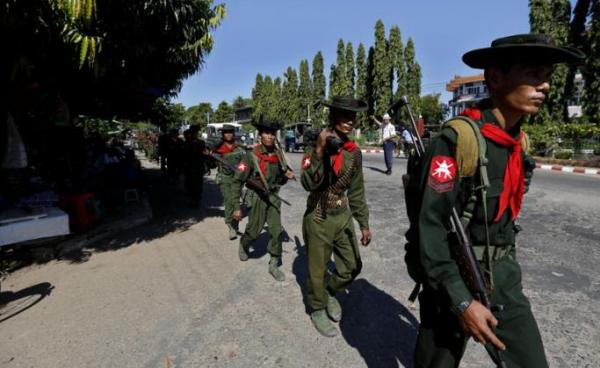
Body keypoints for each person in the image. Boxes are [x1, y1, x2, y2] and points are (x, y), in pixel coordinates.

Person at [409, 34, 584, 367]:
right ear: (495, 78)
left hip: (502, 276)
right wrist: (461, 302)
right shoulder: (457, 141)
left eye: (547, 76)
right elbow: (429, 228)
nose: (544, 85)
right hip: (450, 277)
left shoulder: (518, 142)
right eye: (533, 74)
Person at [301, 96, 372, 337]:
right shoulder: (315, 146)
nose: (350, 122)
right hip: (319, 214)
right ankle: (317, 307)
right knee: (317, 270)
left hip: (342, 215)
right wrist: (320, 150)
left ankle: (329, 292)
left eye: (352, 117)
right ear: (333, 117)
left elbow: (357, 190)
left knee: (352, 266)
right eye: (344, 116)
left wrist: (363, 223)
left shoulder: (353, 152)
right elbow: (308, 183)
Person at [232, 119, 294, 281]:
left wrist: (286, 176)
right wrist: (236, 207)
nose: (270, 136)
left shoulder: (278, 154)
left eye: (272, 133)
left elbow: (280, 178)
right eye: (267, 133)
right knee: (253, 231)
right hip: (257, 197)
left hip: (273, 197)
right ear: (260, 135)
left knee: (275, 232)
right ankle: (244, 244)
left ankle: (273, 264)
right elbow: (237, 181)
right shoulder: (250, 156)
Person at [213, 124, 246, 240]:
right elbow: (211, 163)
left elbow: (245, 163)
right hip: (225, 179)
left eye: (230, 132)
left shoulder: (239, 148)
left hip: (237, 179)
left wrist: (243, 174)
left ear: (234, 134)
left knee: (236, 201)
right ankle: (231, 226)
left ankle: (235, 225)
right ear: (223, 134)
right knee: (229, 201)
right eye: (226, 132)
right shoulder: (217, 148)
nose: (228, 134)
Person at [182, 125, 207, 208]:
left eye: (195, 132)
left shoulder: (199, 142)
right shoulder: (188, 142)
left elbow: (205, 154)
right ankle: (194, 200)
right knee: (191, 184)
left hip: (196, 166)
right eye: (194, 132)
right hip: (190, 166)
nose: (195, 133)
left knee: (196, 184)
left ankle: (195, 200)